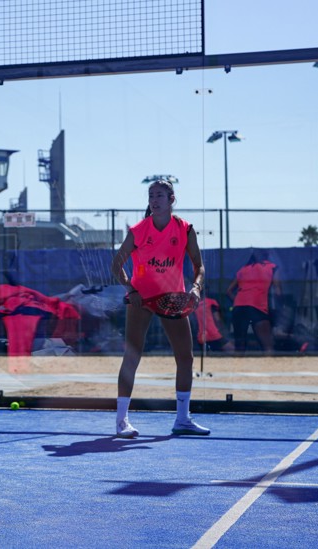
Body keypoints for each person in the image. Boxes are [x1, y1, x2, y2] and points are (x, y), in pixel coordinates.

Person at [110, 178, 208, 438]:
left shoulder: (185, 230)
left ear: (171, 200)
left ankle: (182, 419)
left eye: (160, 195)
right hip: (141, 300)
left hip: (173, 299)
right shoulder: (139, 231)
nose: (154, 200)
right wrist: (131, 290)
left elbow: (199, 266)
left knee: (185, 357)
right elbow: (116, 265)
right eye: (151, 195)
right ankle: (121, 422)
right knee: (132, 356)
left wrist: (196, 288)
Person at [227, 249, 282, 353]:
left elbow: (229, 291)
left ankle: (238, 368)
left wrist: (239, 301)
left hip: (239, 307)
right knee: (268, 346)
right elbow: (278, 292)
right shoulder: (273, 267)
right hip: (258, 306)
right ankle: (271, 368)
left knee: (239, 347)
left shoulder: (243, 269)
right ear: (267, 254)